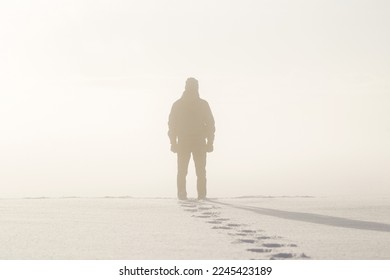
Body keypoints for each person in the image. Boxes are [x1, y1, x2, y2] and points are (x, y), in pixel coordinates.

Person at [168, 77, 215, 200]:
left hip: (193, 142)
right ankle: (193, 195)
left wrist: (210, 142)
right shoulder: (180, 104)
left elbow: (210, 124)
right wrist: (173, 142)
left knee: (193, 171)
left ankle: (197, 195)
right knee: (190, 171)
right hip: (189, 142)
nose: (194, 88)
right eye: (193, 86)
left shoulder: (199, 104)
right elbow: (172, 125)